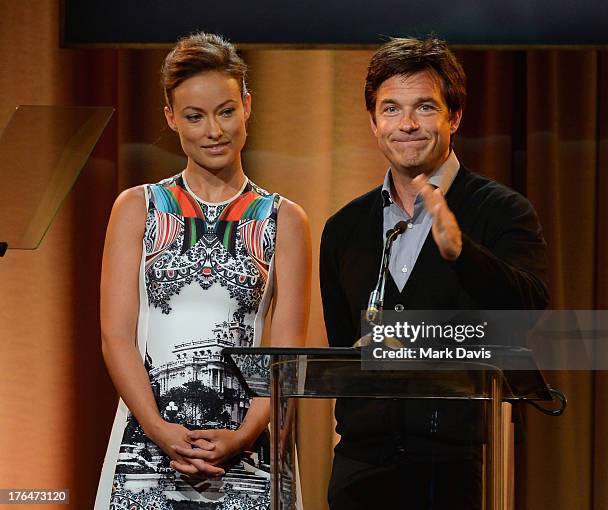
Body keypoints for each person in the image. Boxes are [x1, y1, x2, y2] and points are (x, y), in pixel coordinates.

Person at [319, 37, 549, 509]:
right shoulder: (343, 228)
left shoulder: (502, 211)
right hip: (363, 469)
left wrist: (460, 251)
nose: (406, 124)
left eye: (425, 107)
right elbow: (345, 348)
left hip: (464, 466)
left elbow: (527, 310)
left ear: (455, 117)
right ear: (373, 121)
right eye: (391, 109)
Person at [95, 32, 311, 509]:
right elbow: (116, 337)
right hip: (148, 447)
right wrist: (158, 429)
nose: (214, 130)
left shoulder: (285, 219)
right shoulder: (137, 208)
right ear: (171, 118)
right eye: (195, 116)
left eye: (226, 111)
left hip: (251, 448)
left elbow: (288, 356)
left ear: (248, 106)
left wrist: (243, 435)